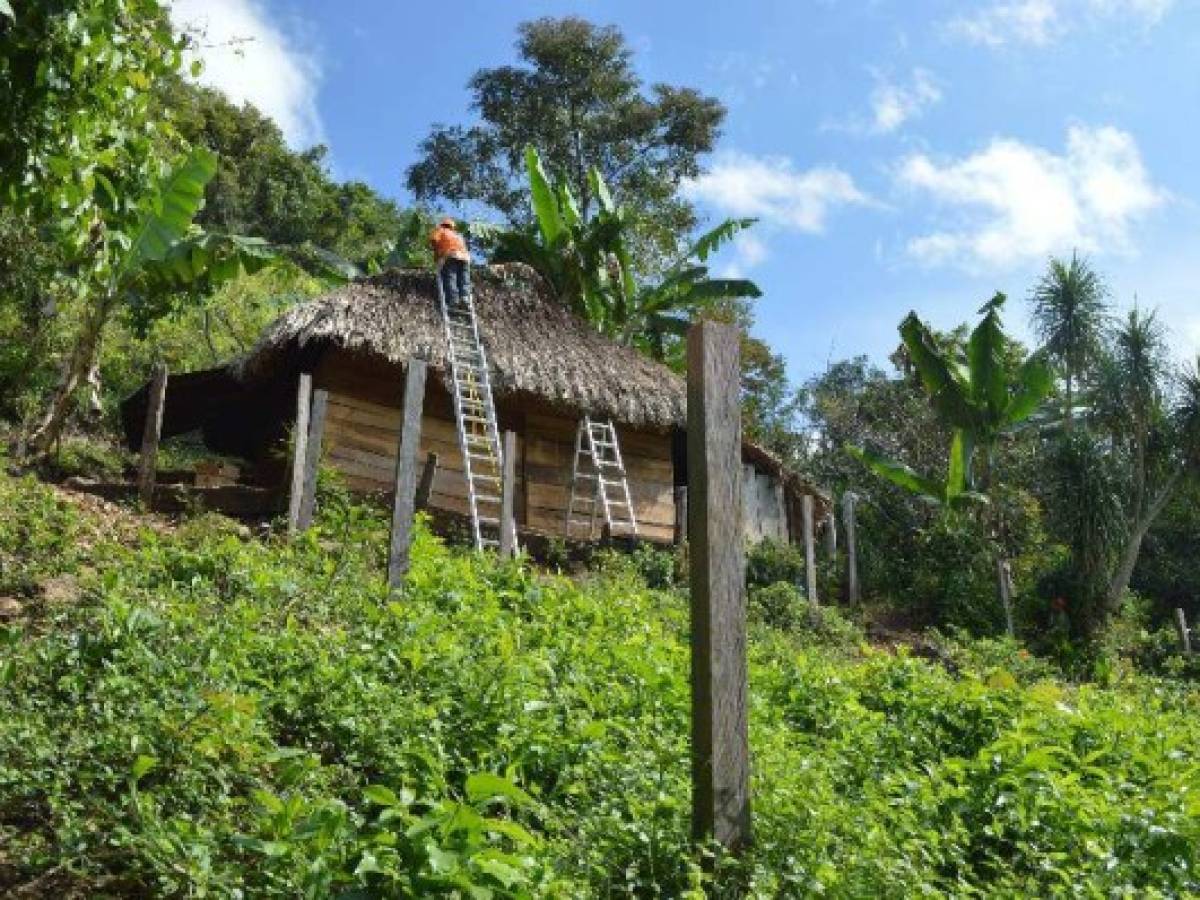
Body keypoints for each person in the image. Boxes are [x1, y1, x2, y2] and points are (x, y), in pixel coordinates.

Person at [429, 217, 471, 306]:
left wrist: (436, 255)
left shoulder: (441, 230)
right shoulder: (458, 235)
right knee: (463, 278)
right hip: (465, 258)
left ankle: (453, 298)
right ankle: (465, 297)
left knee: (451, 276)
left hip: (452, 255)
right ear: (452, 226)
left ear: (443, 224)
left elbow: (434, 240)